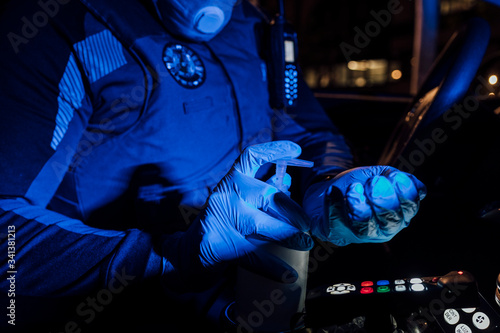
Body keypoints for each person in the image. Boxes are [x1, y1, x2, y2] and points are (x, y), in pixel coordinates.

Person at [0, 0, 426, 331]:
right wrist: (167, 256)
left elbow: (308, 131)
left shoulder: (254, 25)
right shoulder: (60, 22)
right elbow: (9, 243)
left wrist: (327, 184)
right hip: (133, 309)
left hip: (256, 289)